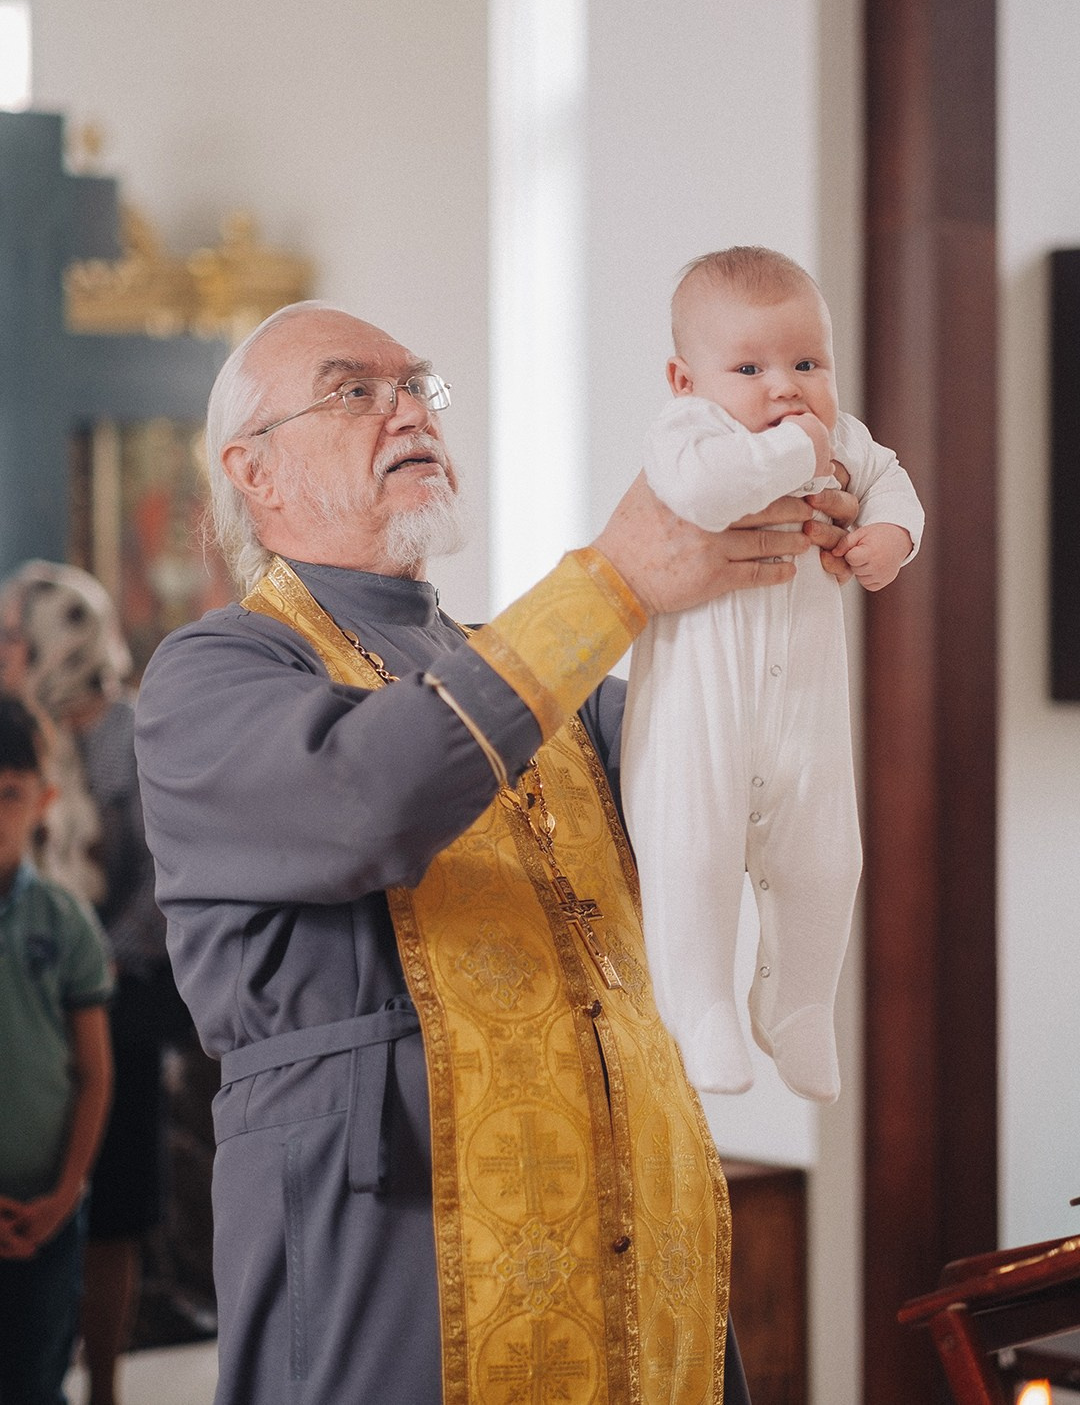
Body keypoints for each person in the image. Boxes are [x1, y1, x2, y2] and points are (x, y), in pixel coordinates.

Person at [134, 299, 858, 1405]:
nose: (409, 410)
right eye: (354, 390)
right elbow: (375, 795)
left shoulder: (547, 689)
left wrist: (788, 556)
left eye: (418, 384)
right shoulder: (213, 674)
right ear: (254, 472)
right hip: (392, 1238)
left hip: (632, 1239)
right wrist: (616, 576)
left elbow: (750, 790)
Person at [621, 247, 924, 1104]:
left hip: (806, 711)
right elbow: (708, 494)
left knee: (828, 860)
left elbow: (893, 483)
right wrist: (803, 455)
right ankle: (702, 1001)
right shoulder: (689, 435)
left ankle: (798, 1005)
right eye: (749, 367)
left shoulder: (843, 440)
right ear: (686, 379)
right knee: (692, 855)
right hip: (698, 710)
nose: (785, 387)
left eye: (806, 363)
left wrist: (890, 538)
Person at [0, 562, 191, 1405]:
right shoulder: (20, 727)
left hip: (121, 992)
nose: (5, 648)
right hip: (30, 990)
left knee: (110, 1204)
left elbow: (161, 869)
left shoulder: (127, 731)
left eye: (16, 634)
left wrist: (104, 951)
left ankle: (104, 1384)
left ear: (58, 638)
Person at [0, 694, 114, 1405]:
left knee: (36, 1375)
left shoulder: (65, 919)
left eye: (8, 795)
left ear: (42, 801)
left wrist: (64, 1193)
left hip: (49, 1213)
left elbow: (95, 1076)